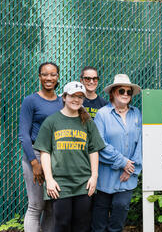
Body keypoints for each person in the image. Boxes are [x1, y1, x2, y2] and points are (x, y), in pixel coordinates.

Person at [33, 81, 105, 232]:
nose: (76, 99)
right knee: (62, 223)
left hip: (83, 182)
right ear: (64, 97)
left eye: (80, 96)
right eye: (73, 95)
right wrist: (50, 179)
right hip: (61, 183)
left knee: (82, 224)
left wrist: (94, 177)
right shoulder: (51, 121)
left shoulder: (88, 122)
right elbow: (45, 152)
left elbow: (93, 150)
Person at [91, 74, 142, 232]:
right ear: (112, 93)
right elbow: (100, 143)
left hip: (128, 176)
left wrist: (131, 167)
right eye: (122, 91)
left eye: (129, 92)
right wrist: (123, 162)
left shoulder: (136, 113)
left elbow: (141, 141)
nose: (126, 94)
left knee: (120, 213)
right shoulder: (102, 114)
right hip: (105, 175)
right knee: (99, 220)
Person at [18, 62, 62, 232]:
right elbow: (24, 134)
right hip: (35, 154)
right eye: (45, 74)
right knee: (36, 206)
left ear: (58, 76)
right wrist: (34, 163)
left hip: (55, 157)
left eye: (52, 74)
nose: (49, 78)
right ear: (39, 77)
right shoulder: (30, 100)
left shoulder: (62, 102)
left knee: (52, 207)